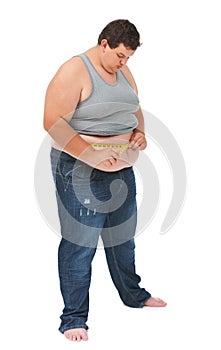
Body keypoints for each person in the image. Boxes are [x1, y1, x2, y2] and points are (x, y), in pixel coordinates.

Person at [43, 19, 167, 342]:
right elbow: (52, 123)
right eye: (121, 55)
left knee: (123, 238)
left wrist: (139, 133)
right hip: (79, 168)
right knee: (80, 244)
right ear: (104, 45)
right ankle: (73, 318)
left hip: (121, 169)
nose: (125, 63)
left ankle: (133, 294)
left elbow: (134, 107)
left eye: (129, 57)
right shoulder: (75, 71)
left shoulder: (123, 70)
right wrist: (91, 155)